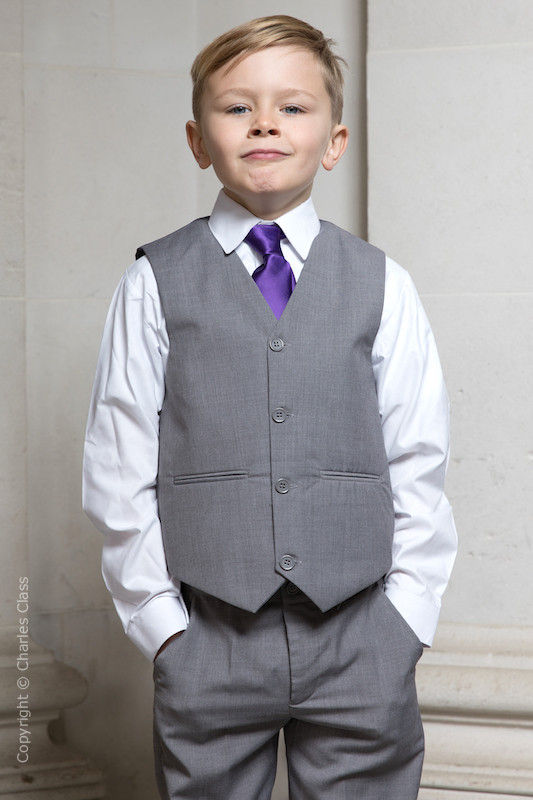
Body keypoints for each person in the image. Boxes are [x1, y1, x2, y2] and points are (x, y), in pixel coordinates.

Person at [82, 13, 458, 800]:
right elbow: (118, 466)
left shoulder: (381, 283)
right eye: (236, 107)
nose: (263, 123)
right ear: (198, 141)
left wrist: (406, 618)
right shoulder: (153, 282)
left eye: (291, 106)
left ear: (334, 141)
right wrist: (163, 630)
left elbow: (417, 459)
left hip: (360, 636)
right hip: (209, 637)